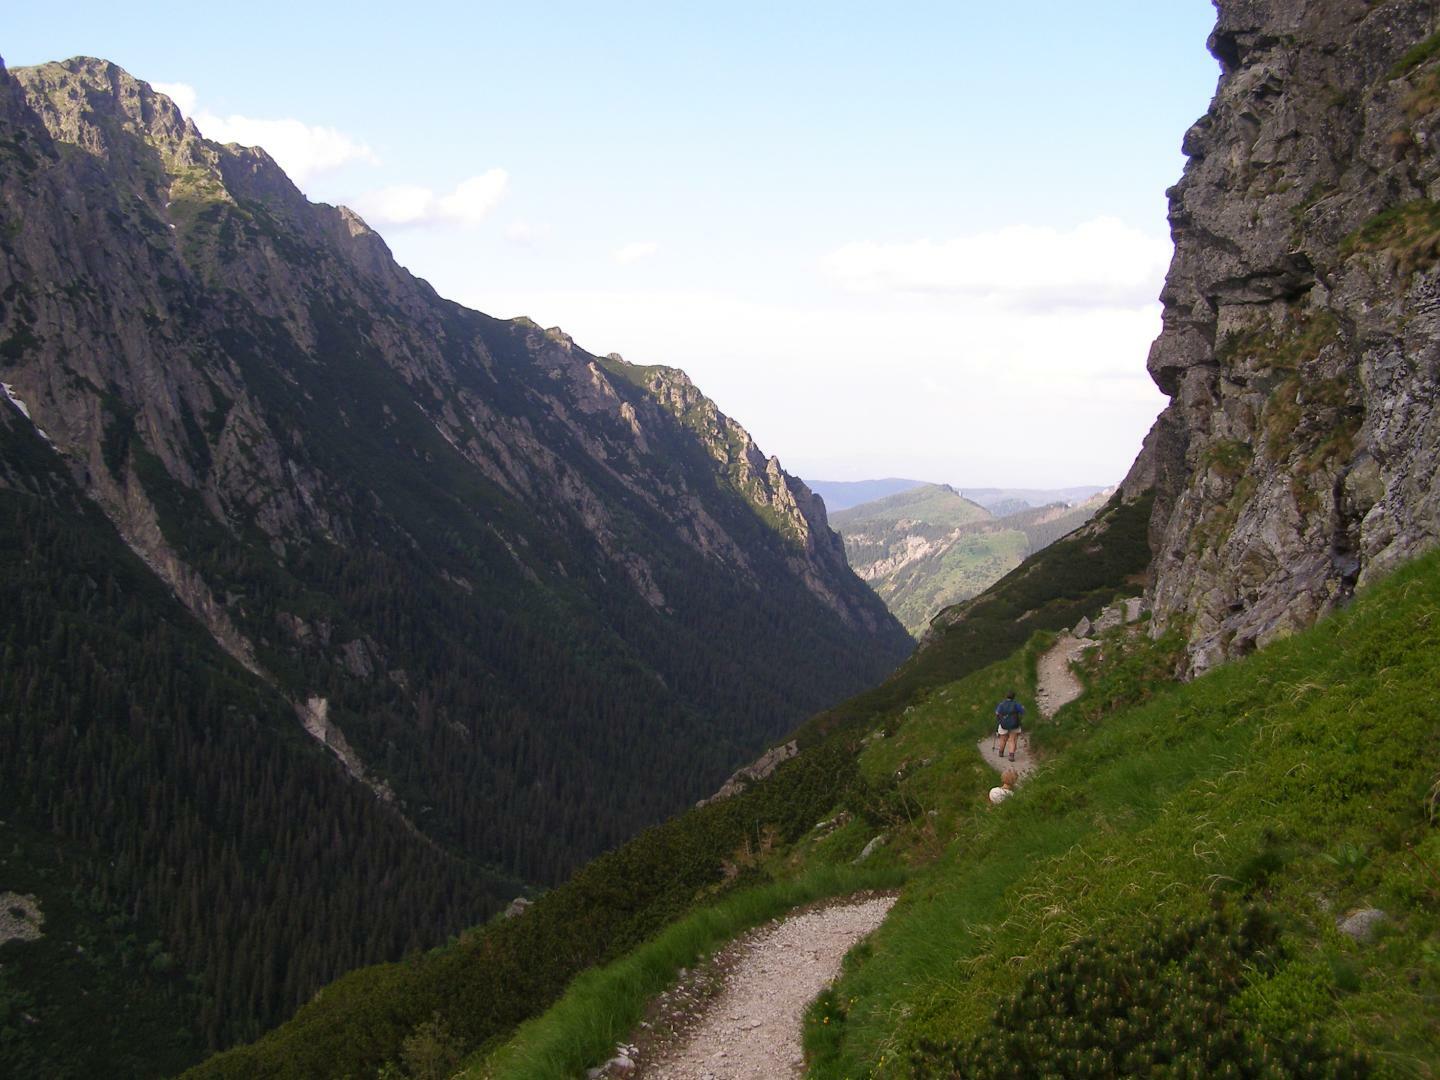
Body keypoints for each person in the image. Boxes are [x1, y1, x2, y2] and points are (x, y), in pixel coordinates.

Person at [994, 691, 1025, 762]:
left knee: (1003, 739)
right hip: (1014, 724)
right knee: (1012, 740)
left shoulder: (1001, 704)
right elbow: (1023, 712)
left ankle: (1001, 752)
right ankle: (1011, 755)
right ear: (1014, 697)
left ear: (1006, 696)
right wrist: (1022, 708)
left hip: (1003, 724)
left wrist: (1000, 719)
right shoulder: (1016, 704)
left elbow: (997, 713)